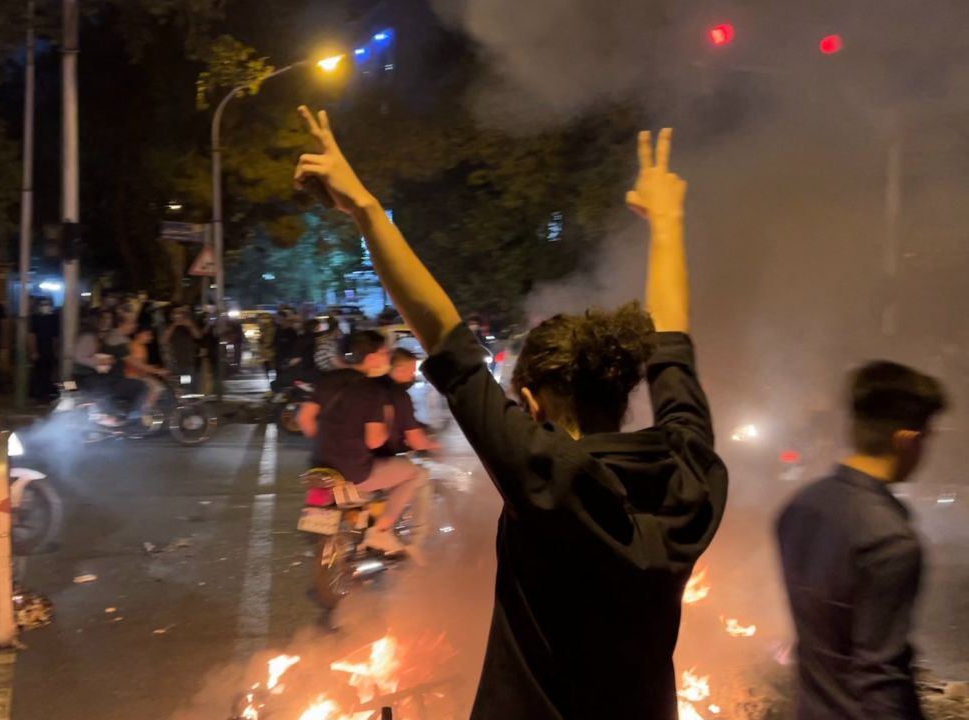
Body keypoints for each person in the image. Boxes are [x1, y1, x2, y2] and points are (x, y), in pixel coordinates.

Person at [294, 108, 725, 718]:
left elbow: (444, 336)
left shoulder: (543, 475)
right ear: (625, 389)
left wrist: (365, 208)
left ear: (530, 403)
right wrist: (669, 222)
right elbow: (674, 348)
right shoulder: (688, 475)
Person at [776, 362, 948, 720]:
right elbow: (880, 678)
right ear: (907, 440)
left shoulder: (800, 508)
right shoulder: (890, 540)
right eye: (926, 437)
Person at [297, 330, 429, 557]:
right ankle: (382, 529)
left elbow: (304, 420)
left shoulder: (328, 379)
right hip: (354, 471)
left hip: (320, 465)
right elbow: (375, 440)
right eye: (384, 352)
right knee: (414, 474)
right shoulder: (371, 390)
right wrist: (388, 421)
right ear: (371, 358)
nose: (387, 356)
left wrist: (330, 438)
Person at [377, 348, 439, 456]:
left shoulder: (373, 385)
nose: (413, 376)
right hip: (384, 456)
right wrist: (437, 447)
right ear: (400, 369)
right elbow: (416, 441)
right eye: (412, 371)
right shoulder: (399, 394)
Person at [29, 297, 61, 402]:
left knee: (48, 372)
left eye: (47, 304)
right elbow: (32, 335)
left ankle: (46, 394)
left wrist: (56, 351)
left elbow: (55, 337)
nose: (45, 307)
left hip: (49, 348)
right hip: (39, 347)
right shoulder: (35, 318)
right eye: (43, 304)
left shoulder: (54, 318)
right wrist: (33, 351)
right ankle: (38, 395)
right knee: (38, 372)